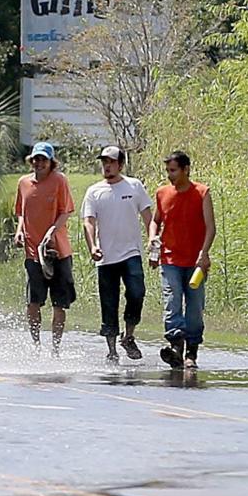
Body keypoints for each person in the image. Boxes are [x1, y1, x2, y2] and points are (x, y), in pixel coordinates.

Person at [81, 146, 153, 363]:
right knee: (109, 302)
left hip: (131, 252)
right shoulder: (94, 191)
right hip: (106, 257)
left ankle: (128, 336)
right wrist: (92, 246)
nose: (107, 166)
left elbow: (149, 216)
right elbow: (88, 221)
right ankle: (111, 349)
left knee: (137, 292)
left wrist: (152, 239)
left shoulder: (134, 186)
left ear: (120, 164)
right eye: (104, 162)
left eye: (111, 162)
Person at [149, 150, 216, 369]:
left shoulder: (202, 193)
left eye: (174, 170)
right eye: (168, 171)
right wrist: (152, 238)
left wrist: (204, 253)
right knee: (172, 301)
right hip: (170, 259)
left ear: (186, 169)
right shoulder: (162, 193)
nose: (170, 175)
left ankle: (191, 353)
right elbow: (155, 221)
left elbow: (211, 227)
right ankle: (176, 345)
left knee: (195, 308)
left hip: (196, 262)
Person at [14, 141, 76, 353]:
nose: (39, 163)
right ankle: (36, 345)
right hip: (33, 252)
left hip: (57, 251)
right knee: (33, 303)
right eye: (36, 159)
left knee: (59, 304)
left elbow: (66, 211)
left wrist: (52, 231)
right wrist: (20, 230)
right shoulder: (23, 183)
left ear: (51, 162)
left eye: (43, 159)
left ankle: (55, 348)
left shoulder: (59, 181)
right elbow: (21, 211)